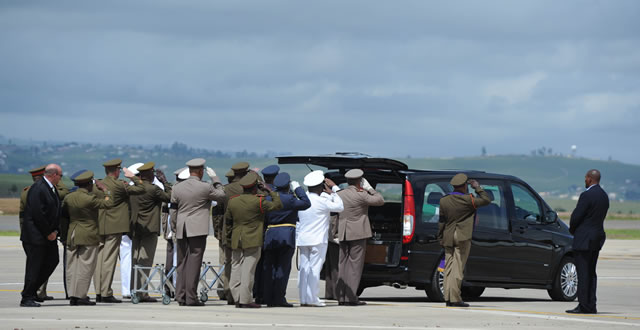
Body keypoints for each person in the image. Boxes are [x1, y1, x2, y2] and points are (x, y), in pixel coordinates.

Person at [171, 158, 225, 306]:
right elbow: (222, 196)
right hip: (197, 229)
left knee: (182, 263)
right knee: (194, 263)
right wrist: (216, 180)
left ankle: (180, 296)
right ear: (201, 171)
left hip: (182, 228)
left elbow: (173, 210)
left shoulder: (177, 188)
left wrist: (174, 227)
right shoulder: (205, 187)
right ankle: (191, 297)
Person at [225, 171, 282, 308]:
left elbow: (228, 221)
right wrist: (269, 190)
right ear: (255, 187)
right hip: (252, 238)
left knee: (236, 268)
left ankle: (237, 297)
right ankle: (245, 299)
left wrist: (228, 238)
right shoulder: (259, 201)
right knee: (248, 270)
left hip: (236, 238)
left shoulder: (233, 201)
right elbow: (277, 205)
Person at [93, 158, 144, 303]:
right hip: (114, 226)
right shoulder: (119, 185)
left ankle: (98, 291)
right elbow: (141, 188)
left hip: (100, 225)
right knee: (109, 260)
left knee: (99, 260)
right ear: (117, 171)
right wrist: (131, 176)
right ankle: (106, 293)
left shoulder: (99, 185)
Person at [437, 173, 491, 307]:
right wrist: (477, 187)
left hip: (448, 235)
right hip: (462, 236)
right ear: (464, 186)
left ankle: (448, 297)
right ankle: (455, 299)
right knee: (458, 267)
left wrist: (440, 237)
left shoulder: (444, 200)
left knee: (448, 267)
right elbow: (486, 200)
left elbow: (441, 221)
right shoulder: (469, 199)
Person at [63, 170, 113, 306]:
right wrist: (105, 190)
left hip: (72, 233)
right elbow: (108, 204)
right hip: (88, 234)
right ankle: (81, 296)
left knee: (71, 266)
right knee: (86, 266)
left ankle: (72, 294)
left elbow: (63, 215)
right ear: (90, 184)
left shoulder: (69, 198)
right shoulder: (89, 199)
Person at [19, 165, 68, 302]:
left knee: (52, 261)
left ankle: (31, 290)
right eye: (60, 175)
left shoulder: (50, 188)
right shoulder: (38, 188)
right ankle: (27, 296)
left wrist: (55, 231)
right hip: (36, 236)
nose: (61, 178)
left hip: (47, 236)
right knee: (34, 267)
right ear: (54, 175)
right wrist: (48, 233)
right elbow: (38, 214)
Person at [336, 169, 384, 306]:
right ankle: (351, 297)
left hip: (343, 232)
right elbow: (380, 200)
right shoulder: (362, 195)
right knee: (354, 266)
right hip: (358, 233)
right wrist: (370, 189)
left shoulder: (340, 194)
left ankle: (341, 296)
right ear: (360, 181)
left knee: (343, 264)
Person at [262, 172, 310, 307]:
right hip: (286, 236)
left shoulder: (269, 198)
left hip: (270, 234)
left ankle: (268, 298)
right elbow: (306, 203)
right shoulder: (290, 199)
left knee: (269, 268)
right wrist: (298, 189)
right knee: (282, 268)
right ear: (288, 185)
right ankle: (279, 298)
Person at [297, 170, 344, 307]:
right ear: (320, 186)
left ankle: (304, 298)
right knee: (314, 269)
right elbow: (340, 206)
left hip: (303, 239)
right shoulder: (322, 201)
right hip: (317, 240)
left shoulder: (302, 199)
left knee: (304, 269)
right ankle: (312, 299)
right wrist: (334, 189)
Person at [566, 169, 609, 314]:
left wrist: (572, 229)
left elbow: (577, 216)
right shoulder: (604, 196)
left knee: (583, 273)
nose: (585, 180)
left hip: (584, 239)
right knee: (591, 273)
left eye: (586, 178)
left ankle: (584, 305)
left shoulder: (586, 195)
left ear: (590, 179)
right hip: (596, 238)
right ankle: (591, 304)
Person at [129, 162, 171, 303]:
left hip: (135, 228)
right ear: (151, 175)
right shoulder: (153, 189)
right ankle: (142, 292)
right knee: (145, 261)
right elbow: (169, 197)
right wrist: (165, 182)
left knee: (135, 260)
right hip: (149, 228)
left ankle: (134, 289)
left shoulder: (133, 189)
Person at [220, 161, 251, 304]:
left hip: (229, 230)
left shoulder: (226, 189)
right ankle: (243, 295)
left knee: (230, 263)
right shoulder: (250, 188)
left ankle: (229, 293)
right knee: (246, 264)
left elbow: (217, 212)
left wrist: (219, 231)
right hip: (250, 231)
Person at [253, 164, 280, 303]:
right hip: (273, 232)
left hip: (259, 231)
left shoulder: (257, 193)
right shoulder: (275, 193)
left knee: (259, 265)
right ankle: (267, 293)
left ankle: (258, 292)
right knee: (271, 265)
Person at [163, 167, 189, 297]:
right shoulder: (183, 191)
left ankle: (170, 287)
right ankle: (175, 286)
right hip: (178, 228)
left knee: (171, 258)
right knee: (177, 259)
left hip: (172, 227)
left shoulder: (174, 189)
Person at [119, 162, 143, 299]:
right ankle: (129, 288)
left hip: (127, 227)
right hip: (131, 228)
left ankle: (127, 288)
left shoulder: (127, 188)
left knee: (126, 259)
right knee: (128, 259)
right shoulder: (135, 188)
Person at [211, 169, 235, 300]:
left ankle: (222, 289)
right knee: (232, 263)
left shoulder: (223, 192)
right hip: (230, 232)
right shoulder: (234, 192)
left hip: (222, 232)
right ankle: (227, 289)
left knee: (223, 262)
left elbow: (216, 216)